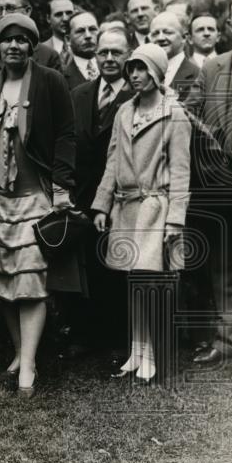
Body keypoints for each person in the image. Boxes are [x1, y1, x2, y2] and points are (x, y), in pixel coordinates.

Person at [0, 14, 79, 397]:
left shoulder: (50, 82)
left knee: (31, 281)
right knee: (2, 279)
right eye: (7, 40)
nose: (14, 46)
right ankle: (17, 349)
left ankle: (28, 361)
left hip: (35, 197)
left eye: (22, 40)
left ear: (32, 46)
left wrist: (61, 186)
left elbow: (65, 135)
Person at [92, 43, 191, 386]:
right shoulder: (124, 112)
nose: (134, 75)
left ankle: (151, 354)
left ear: (157, 72)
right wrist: (102, 205)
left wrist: (175, 218)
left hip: (155, 209)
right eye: (131, 68)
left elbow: (180, 171)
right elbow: (112, 162)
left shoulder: (174, 114)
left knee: (150, 282)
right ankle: (136, 349)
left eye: (142, 68)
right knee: (132, 282)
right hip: (126, 208)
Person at [186, 0, 232, 371]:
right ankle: (229, 340)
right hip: (222, 185)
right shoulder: (213, 67)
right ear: (229, 26)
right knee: (224, 265)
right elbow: (190, 110)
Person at [69, 29, 135, 355]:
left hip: (122, 197)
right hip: (82, 196)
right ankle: (84, 334)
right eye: (103, 52)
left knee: (117, 268)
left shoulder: (138, 96)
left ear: (129, 55)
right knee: (85, 267)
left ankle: (116, 338)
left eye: (117, 52)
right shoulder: (79, 94)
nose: (109, 58)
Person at [148, 11, 200, 102]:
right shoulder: (142, 73)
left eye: (167, 32)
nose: (160, 38)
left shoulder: (197, 75)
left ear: (184, 37)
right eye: (155, 34)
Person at [61, 10, 101, 90]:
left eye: (92, 29)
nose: (88, 36)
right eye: (80, 31)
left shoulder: (116, 69)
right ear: (68, 40)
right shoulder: (61, 79)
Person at [41, 0, 75, 64]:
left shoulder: (87, 47)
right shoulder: (40, 51)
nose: (65, 19)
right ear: (48, 18)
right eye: (59, 14)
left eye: (69, 13)